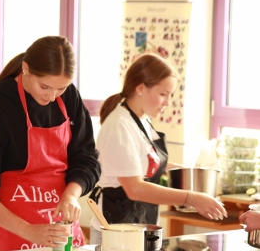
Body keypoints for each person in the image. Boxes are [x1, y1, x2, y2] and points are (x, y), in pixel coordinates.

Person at [0, 36, 101, 251]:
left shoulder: (70, 98)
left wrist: (71, 194)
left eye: (61, 88)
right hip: (12, 234)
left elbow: (86, 157)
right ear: (26, 68)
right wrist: (28, 231)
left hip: (62, 232)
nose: (52, 97)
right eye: (45, 86)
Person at [90, 53, 227, 234]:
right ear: (140, 88)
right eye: (163, 94)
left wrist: (184, 172)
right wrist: (191, 198)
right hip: (115, 228)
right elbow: (135, 188)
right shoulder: (119, 127)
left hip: (138, 223)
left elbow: (145, 162)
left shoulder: (142, 120)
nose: (167, 103)